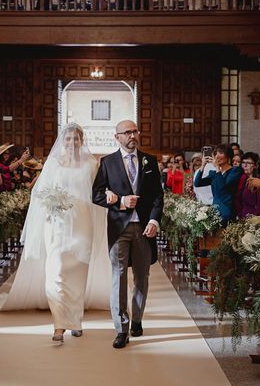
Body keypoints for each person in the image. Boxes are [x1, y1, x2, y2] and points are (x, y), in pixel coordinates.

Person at [0, 123, 111, 343]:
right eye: (68, 139)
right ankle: (58, 324)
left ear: (81, 141)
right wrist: (51, 203)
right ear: (62, 141)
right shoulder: (53, 164)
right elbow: (40, 193)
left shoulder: (91, 164)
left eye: (76, 138)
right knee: (56, 271)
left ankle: (75, 320)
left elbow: (98, 194)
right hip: (57, 224)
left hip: (83, 224)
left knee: (77, 273)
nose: (72, 142)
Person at [92, 119, 164, 349]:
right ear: (117, 137)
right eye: (127, 132)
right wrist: (121, 201)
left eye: (135, 131)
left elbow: (157, 196)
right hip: (119, 227)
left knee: (142, 277)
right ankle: (121, 328)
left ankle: (137, 320)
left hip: (144, 228)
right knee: (118, 276)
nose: (132, 135)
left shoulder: (149, 161)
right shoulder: (107, 163)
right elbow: (96, 195)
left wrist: (154, 220)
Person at [194, 144, 243, 225]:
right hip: (215, 207)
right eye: (216, 153)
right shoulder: (214, 173)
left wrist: (217, 167)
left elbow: (222, 188)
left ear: (228, 156)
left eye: (220, 153)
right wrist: (203, 164)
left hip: (227, 208)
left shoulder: (235, 171)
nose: (217, 156)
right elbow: (197, 183)